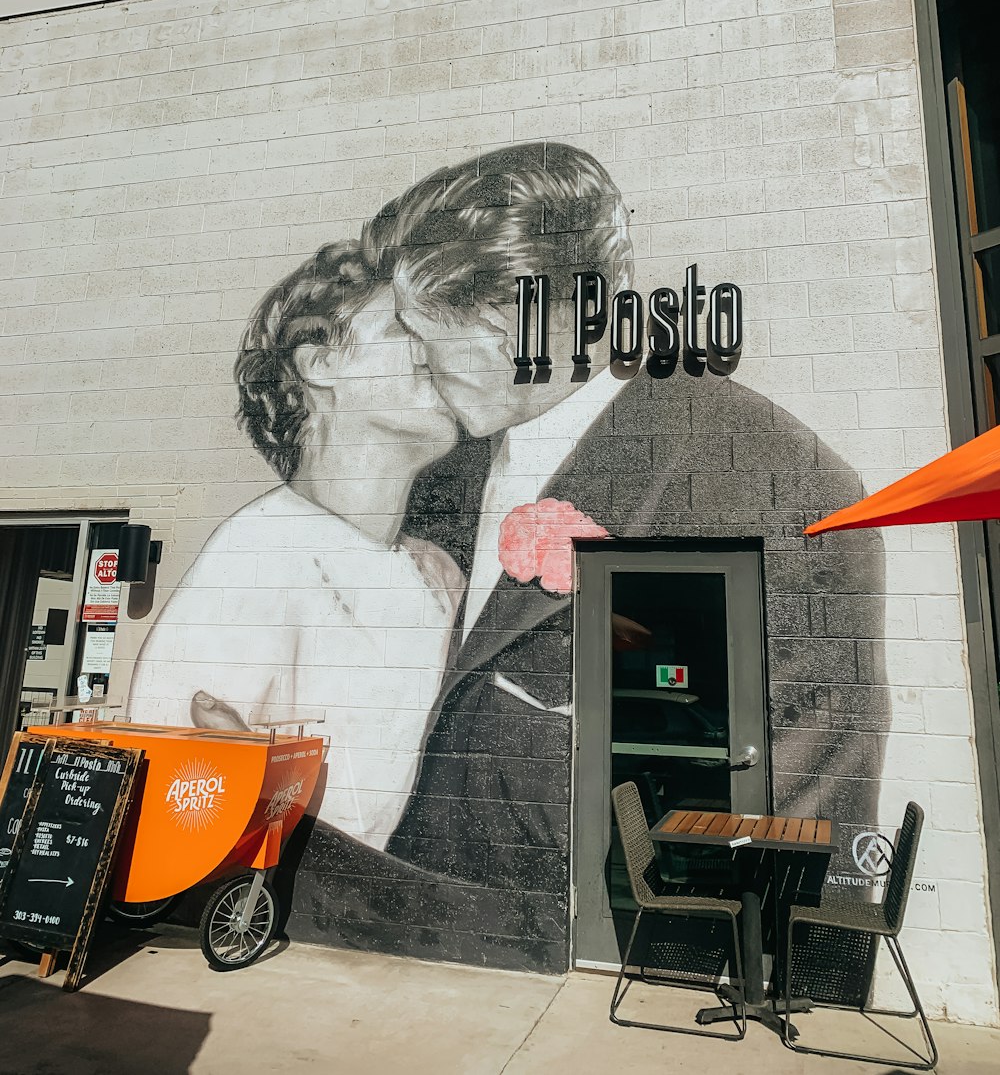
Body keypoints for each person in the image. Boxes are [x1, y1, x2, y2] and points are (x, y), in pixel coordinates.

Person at [355, 141, 887, 904]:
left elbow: (812, 806)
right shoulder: (434, 470)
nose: (408, 363)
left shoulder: (788, 488)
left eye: (421, 334)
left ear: (521, 319)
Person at [127, 242, 462, 850]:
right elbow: (171, 776)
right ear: (319, 364)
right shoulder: (259, 551)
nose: (436, 348)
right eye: (402, 326)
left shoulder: (438, 574)